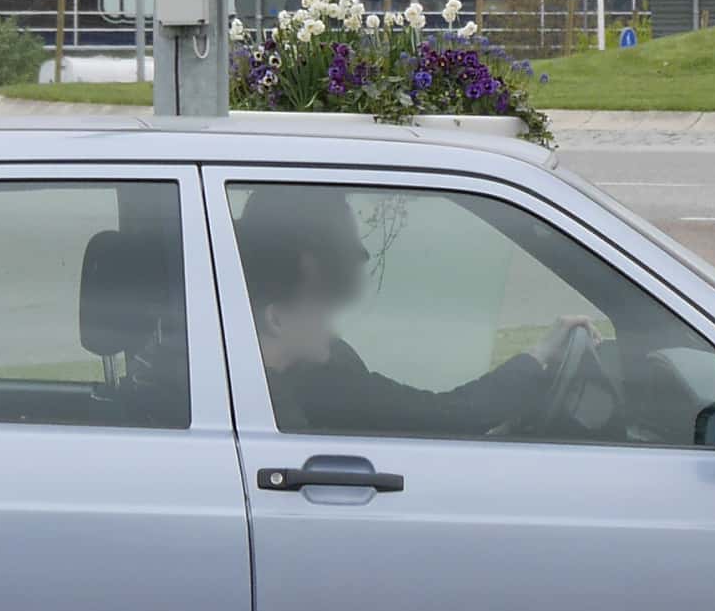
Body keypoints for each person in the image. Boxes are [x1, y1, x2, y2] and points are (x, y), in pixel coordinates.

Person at [236, 187, 575, 439]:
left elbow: (438, 414)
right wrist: (537, 358)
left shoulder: (316, 375)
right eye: (321, 307)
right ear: (276, 319)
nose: (332, 326)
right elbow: (445, 415)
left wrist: (536, 358)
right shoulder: (292, 401)